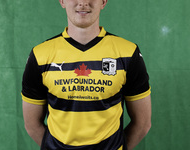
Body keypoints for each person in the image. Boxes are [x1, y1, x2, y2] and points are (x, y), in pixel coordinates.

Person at [21, 0, 152, 150]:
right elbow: (31, 125)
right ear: (62, 1)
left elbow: (142, 123)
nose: (83, 2)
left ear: (103, 2)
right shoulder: (40, 55)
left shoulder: (128, 52)